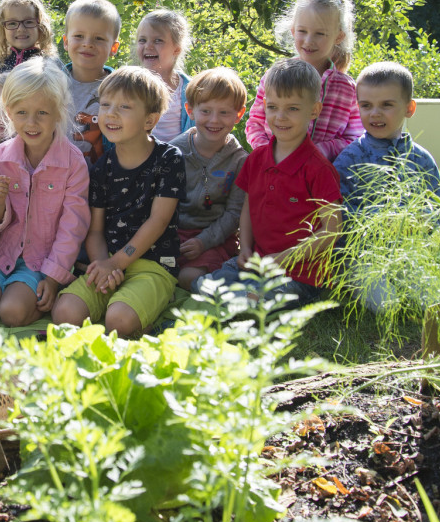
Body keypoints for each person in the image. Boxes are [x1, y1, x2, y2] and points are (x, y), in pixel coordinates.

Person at [52, 66, 186, 337]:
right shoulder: (102, 167)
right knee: (64, 313)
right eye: (105, 105)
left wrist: (116, 265)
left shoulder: (169, 159)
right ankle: (123, 301)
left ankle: (152, 304)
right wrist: (104, 267)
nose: (110, 113)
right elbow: (96, 230)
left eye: (124, 107)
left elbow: (158, 221)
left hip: (154, 264)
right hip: (109, 261)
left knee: (119, 320)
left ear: (150, 120)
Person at [203, 58, 342, 309]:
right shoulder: (257, 158)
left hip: (298, 275)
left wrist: (283, 259)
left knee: (260, 299)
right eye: (274, 107)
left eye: (293, 109)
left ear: (314, 110)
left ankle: (241, 301)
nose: (281, 117)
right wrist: (244, 247)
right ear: (264, 106)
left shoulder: (318, 168)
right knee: (203, 283)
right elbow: (248, 207)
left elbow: (332, 230)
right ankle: (230, 296)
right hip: (258, 262)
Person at [0, 58, 90, 326]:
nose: (32, 123)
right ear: (9, 112)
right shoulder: (0, 157)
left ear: (58, 113)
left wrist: (53, 277)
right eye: (22, 112)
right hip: (1, 254)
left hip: (41, 261)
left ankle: (44, 299)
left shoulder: (73, 163)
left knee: (11, 312)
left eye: (42, 113)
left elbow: (73, 226)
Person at [244, 0, 363, 161]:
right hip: (274, 172)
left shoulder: (347, 89)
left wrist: (318, 151)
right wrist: (269, 152)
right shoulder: (274, 76)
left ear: (338, 37)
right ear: (293, 30)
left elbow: (355, 137)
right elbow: (255, 123)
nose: (309, 41)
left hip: (321, 177)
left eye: (320, 34)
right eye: (302, 31)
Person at [169, 68, 249, 292]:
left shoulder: (239, 160)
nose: (214, 120)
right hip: (174, 234)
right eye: (206, 111)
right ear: (190, 110)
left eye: (224, 112)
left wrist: (204, 241)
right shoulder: (174, 152)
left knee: (188, 276)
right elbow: (162, 203)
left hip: (214, 237)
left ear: (239, 114)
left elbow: (234, 213)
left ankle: (227, 293)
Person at [333, 61, 440, 219]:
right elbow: (337, 212)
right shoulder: (350, 159)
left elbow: (438, 207)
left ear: (409, 109)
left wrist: (418, 219)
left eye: (386, 105)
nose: (375, 113)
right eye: (366, 105)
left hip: (412, 241)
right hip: (365, 242)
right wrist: (380, 219)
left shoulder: (421, 158)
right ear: (358, 108)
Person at [62, 0, 121, 165]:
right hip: (56, 179)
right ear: (66, 42)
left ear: (113, 48)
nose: (87, 44)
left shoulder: (121, 90)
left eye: (99, 38)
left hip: (102, 182)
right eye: (79, 36)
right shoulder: (50, 85)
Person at [134, 9, 194, 143]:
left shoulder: (189, 90)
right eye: (142, 40)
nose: (148, 46)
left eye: (158, 41)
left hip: (177, 159)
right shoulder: (130, 85)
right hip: (138, 159)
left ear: (177, 49)